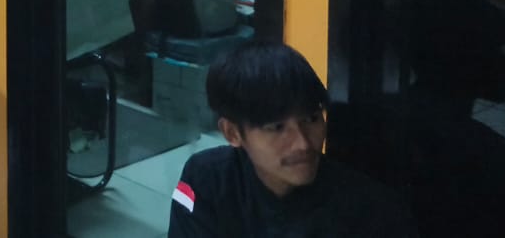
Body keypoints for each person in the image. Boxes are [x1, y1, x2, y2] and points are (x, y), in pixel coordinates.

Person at [169, 41, 415, 238]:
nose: (303, 144)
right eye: (277, 127)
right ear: (232, 133)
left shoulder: (370, 211)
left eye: (311, 119)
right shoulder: (208, 180)